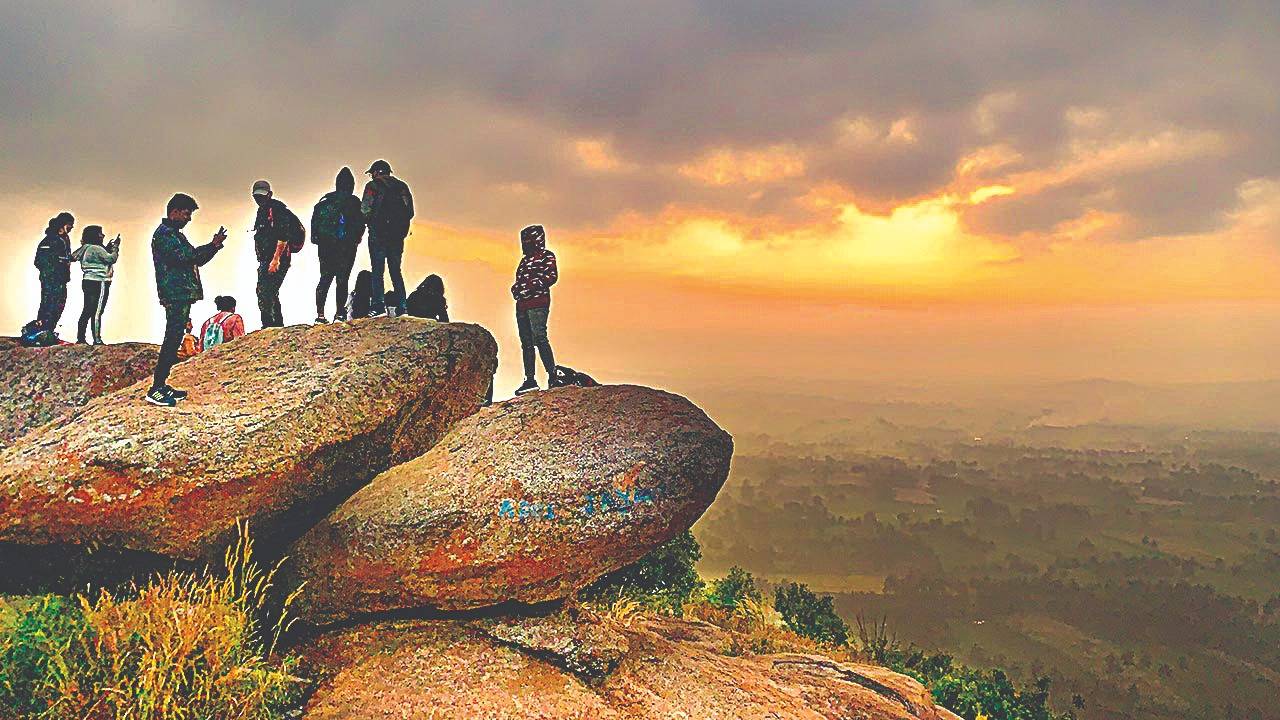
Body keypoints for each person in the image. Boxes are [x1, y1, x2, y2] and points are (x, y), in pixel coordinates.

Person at [146, 193, 227, 408]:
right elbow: (187, 257)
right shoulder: (165, 235)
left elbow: (195, 258)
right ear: (173, 212)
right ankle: (156, 388)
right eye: (186, 213)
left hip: (180, 293)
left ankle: (161, 385)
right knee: (172, 338)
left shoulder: (174, 234)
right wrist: (212, 246)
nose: (188, 218)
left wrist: (214, 246)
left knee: (175, 337)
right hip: (175, 293)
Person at [511, 224, 563, 395]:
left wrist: (531, 285)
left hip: (538, 303)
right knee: (526, 342)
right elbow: (519, 279)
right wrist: (516, 289)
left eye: (528, 240)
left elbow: (551, 277)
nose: (525, 243)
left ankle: (553, 375)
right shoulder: (524, 261)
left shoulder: (547, 256)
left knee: (540, 337)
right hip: (522, 305)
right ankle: (530, 379)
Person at [360, 160, 414, 317]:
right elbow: (410, 211)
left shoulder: (373, 186)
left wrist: (372, 222)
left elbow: (365, 210)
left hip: (378, 234)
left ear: (376, 172)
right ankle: (402, 307)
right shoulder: (402, 186)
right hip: (397, 236)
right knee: (396, 270)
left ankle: (378, 306)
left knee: (378, 270)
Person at [312, 167, 366, 323]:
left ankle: (320, 315)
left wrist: (317, 240)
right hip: (346, 247)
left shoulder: (324, 200)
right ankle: (339, 314)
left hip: (325, 246)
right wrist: (356, 239)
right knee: (342, 280)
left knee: (325, 279)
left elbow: (315, 224)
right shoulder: (354, 202)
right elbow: (360, 223)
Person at [252, 179, 303, 328]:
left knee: (266, 291)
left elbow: (283, 235)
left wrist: (276, 260)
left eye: (262, 196)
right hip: (266, 258)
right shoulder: (262, 211)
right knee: (268, 291)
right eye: (256, 197)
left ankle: (269, 324)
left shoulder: (278, 209)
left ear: (270, 194)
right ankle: (275, 324)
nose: (259, 199)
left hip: (277, 258)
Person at [71, 226, 120, 344]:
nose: (102, 236)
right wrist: (115, 248)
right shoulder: (97, 248)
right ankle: (97, 339)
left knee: (87, 310)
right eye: (100, 234)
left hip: (87, 280)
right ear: (95, 236)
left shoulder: (85, 247)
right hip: (100, 282)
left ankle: (81, 338)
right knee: (97, 311)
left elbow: (73, 256)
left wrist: (106, 248)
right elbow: (111, 259)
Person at [33, 212, 75, 341]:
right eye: (70, 225)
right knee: (49, 304)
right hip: (51, 279)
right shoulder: (51, 239)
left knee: (58, 305)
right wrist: (54, 268)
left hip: (60, 279)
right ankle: (42, 331)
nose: (72, 228)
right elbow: (39, 261)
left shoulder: (64, 239)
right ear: (63, 224)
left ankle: (49, 331)